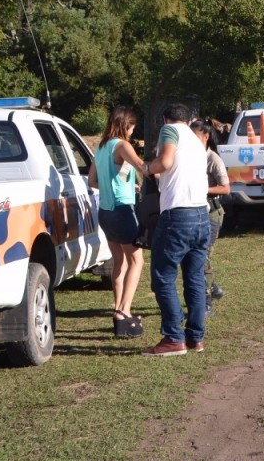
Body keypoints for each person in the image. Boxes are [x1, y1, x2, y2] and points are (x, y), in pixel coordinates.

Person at [141, 103, 211, 357]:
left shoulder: (170, 131)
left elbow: (166, 162)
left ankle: (173, 337)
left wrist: (148, 168)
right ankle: (196, 337)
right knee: (194, 278)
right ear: (190, 119)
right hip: (202, 214)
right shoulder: (196, 140)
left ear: (165, 119)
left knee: (163, 277)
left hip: (177, 216)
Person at [87, 107, 145, 338]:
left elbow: (93, 180)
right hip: (122, 211)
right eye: (132, 128)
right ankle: (124, 310)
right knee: (137, 261)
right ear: (126, 125)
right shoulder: (122, 145)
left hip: (105, 212)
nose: (132, 132)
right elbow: (141, 166)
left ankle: (117, 308)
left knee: (118, 262)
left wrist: (126, 186)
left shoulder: (101, 147)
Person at [190, 119, 231, 311]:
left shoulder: (213, 159)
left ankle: (206, 303)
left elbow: (226, 188)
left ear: (205, 136)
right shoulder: (189, 157)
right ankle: (212, 287)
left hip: (212, 213)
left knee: (202, 257)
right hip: (194, 212)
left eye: (195, 135)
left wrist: (203, 189)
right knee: (198, 256)